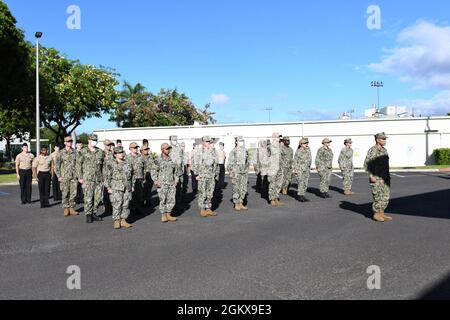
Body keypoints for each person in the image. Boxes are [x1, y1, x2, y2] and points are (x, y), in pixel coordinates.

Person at [364, 132, 392, 223]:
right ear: (377, 140)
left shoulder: (384, 150)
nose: (385, 141)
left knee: (385, 196)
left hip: (385, 177)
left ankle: (382, 212)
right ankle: (376, 214)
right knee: (378, 196)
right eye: (383, 139)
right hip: (376, 177)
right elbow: (367, 164)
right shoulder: (373, 150)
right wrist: (371, 175)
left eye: (385, 139)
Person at [76, 134, 105, 223]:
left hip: (98, 179)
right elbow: (78, 165)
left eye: (95, 140)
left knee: (97, 198)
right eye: (93, 140)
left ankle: (94, 213)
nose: (94, 141)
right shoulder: (83, 151)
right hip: (87, 179)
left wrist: (104, 177)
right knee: (88, 197)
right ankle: (88, 214)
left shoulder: (100, 152)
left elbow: (103, 165)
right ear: (88, 140)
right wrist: (80, 177)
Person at [105, 146, 133, 230]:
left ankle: (123, 220)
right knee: (117, 204)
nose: (121, 154)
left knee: (126, 204)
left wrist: (132, 185)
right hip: (116, 187)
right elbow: (106, 176)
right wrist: (108, 187)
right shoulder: (111, 164)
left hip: (127, 186)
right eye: (119, 153)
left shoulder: (128, 163)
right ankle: (117, 220)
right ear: (115, 154)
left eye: (122, 152)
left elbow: (132, 175)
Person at [193, 136, 219, 217]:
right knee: (202, 193)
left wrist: (216, 175)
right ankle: (202, 209)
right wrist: (196, 174)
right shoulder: (199, 151)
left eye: (209, 142)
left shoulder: (213, 151)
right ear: (203, 142)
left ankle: (208, 209)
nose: (208, 143)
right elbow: (195, 163)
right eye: (207, 142)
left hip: (211, 175)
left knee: (210, 193)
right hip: (202, 175)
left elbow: (216, 164)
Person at [152, 143, 178, 223]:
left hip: (171, 183)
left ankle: (169, 214)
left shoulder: (172, 160)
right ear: (162, 150)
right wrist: (156, 182)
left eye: (169, 148)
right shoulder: (158, 160)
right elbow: (153, 171)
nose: (168, 150)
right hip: (162, 184)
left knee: (171, 199)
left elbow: (176, 171)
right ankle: (163, 215)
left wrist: (176, 180)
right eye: (166, 149)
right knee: (163, 200)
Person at [55, 137, 79, 217]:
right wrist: (59, 176)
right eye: (68, 141)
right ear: (65, 143)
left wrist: (78, 175)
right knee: (65, 193)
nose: (70, 142)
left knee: (73, 193)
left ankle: (72, 208)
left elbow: (78, 165)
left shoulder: (75, 152)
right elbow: (57, 166)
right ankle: (66, 208)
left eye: (71, 141)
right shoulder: (61, 153)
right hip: (64, 176)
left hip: (73, 176)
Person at [227, 137, 249, 212]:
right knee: (236, 188)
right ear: (236, 142)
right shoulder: (233, 151)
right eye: (240, 141)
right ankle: (236, 204)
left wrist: (247, 170)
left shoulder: (245, 151)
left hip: (244, 173)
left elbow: (247, 162)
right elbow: (229, 163)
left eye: (242, 141)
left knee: (243, 188)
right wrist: (231, 172)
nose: (241, 142)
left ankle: (241, 202)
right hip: (236, 173)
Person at [126, 142, 144, 215]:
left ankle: (137, 208)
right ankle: (131, 209)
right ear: (130, 149)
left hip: (139, 178)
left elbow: (144, 167)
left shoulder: (140, 157)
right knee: (131, 195)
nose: (136, 149)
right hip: (131, 180)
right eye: (134, 148)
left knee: (139, 195)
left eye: (137, 147)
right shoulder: (127, 158)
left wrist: (143, 176)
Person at [293, 138, 312, 202]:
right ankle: (300, 196)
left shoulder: (307, 150)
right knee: (300, 183)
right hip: (300, 169)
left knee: (305, 183)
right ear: (301, 144)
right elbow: (295, 161)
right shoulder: (298, 151)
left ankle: (303, 195)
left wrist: (309, 166)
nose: (306, 144)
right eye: (304, 143)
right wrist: (295, 170)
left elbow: (309, 158)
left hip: (306, 169)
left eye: (307, 143)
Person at [267, 133, 283, 207]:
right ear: (273, 138)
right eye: (277, 137)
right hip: (272, 168)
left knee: (278, 184)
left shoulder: (280, 146)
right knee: (272, 184)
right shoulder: (269, 147)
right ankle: (272, 199)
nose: (278, 138)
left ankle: (276, 197)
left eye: (279, 137)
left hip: (279, 168)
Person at [169, 135, 185, 209]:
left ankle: (178, 204)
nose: (175, 142)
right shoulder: (168, 149)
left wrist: (183, 171)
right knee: (172, 189)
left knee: (179, 188)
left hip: (179, 171)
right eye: (173, 140)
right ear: (170, 141)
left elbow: (182, 161)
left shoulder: (180, 149)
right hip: (171, 172)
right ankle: (172, 205)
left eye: (176, 140)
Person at [102, 140, 115, 215]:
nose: (109, 146)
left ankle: (112, 206)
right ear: (104, 145)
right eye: (107, 145)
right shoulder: (102, 153)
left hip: (112, 175)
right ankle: (106, 207)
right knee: (105, 192)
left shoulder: (113, 153)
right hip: (104, 175)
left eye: (110, 144)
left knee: (112, 192)